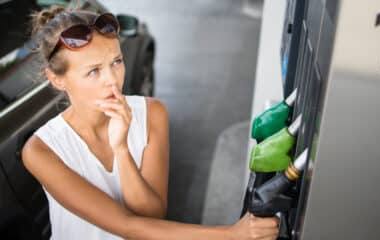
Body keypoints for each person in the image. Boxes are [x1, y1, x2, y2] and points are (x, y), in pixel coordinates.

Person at [22, 6, 279, 240]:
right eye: (93, 71)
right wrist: (234, 234)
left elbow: (151, 215)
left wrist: (121, 149)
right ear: (57, 80)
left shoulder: (152, 113)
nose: (112, 80)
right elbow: (127, 226)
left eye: (116, 62)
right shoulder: (42, 150)